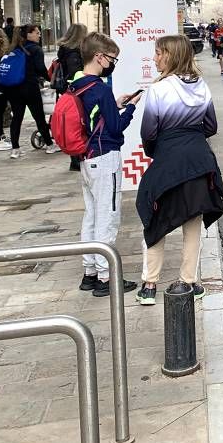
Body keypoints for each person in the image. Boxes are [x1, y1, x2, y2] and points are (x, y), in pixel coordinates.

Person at [135, 35, 223, 306]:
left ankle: (149, 284)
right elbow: (211, 126)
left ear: (170, 55)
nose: (155, 58)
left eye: (158, 53)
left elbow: (148, 132)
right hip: (200, 161)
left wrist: (163, 147)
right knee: (192, 223)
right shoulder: (201, 87)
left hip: (169, 161)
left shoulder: (158, 90)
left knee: (155, 219)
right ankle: (189, 282)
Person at [72, 32, 140, 297]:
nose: (113, 63)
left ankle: (89, 272)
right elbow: (115, 128)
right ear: (99, 57)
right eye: (112, 59)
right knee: (107, 217)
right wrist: (131, 108)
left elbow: (95, 118)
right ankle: (105, 276)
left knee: (90, 216)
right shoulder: (100, 88)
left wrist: (115, 104)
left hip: (87, 160)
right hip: (105, 158)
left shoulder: (76, 84)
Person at [2, 24, 59, 158]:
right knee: (38, 117)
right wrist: (51, 79)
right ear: (28, 34)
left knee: (17, 117)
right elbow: (40, 69)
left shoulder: (14, 49)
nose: (39, 35)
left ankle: (15, 149)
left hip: (13, 88)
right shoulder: (35, 49)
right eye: (37, 33)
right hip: (29, 87)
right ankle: (50, 145)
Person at [56, 23, 89, 171]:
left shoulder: (64, 51)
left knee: (72, 124)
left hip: (67, 92)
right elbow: (75, 73)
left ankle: (75, 158)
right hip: (76, 91)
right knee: (79, 123)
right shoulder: (74, 53)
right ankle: (77, 158)